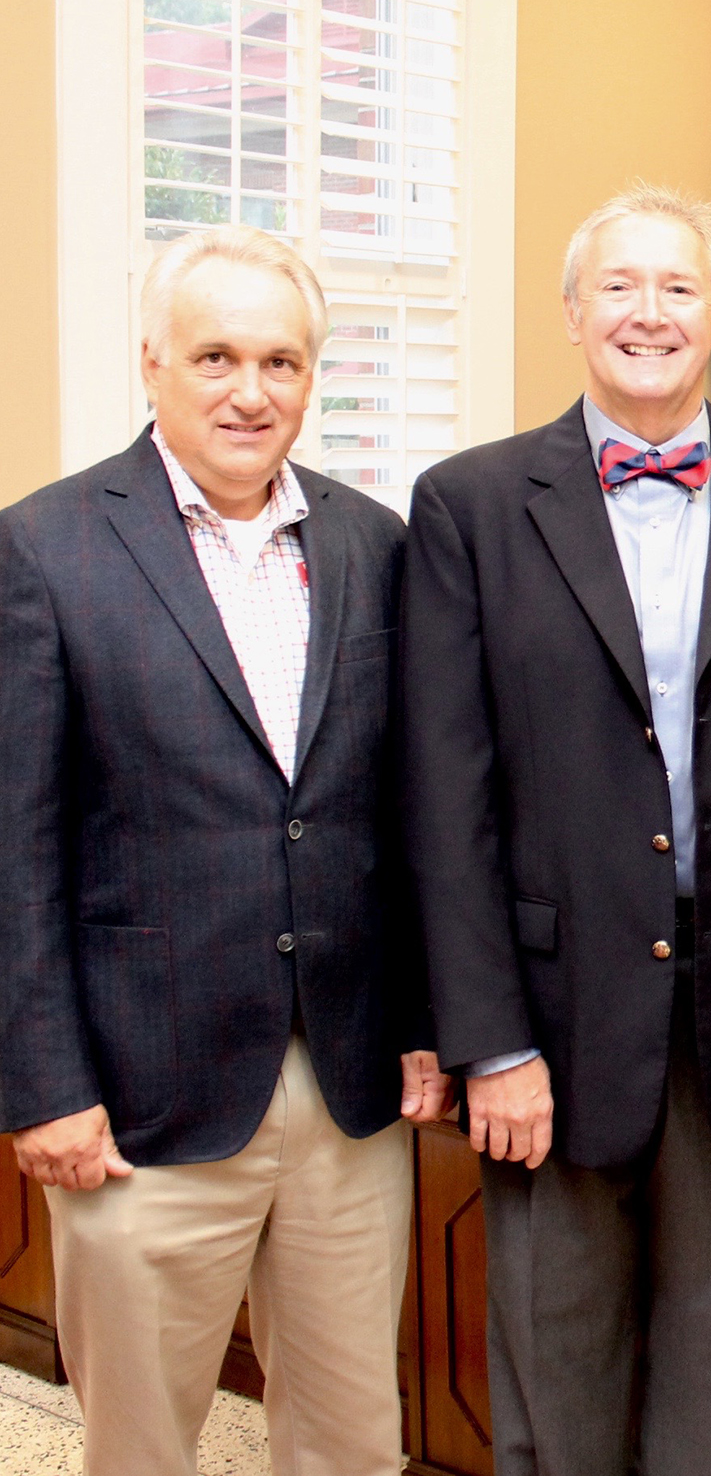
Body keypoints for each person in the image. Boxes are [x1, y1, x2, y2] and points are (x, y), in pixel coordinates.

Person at [400, 184, 711, 1476]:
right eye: (619, 287)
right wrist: (488, 1041)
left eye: (678, 287)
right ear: (573, 314)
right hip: (550, 1019)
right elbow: (446, 798)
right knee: (554, 1389)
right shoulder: (468, 506)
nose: (649, 313)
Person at [0, 225, 449, 1476]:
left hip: (347, 1087)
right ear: (151, 361)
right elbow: (16, 847)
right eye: (215, 358)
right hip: (137, 1098)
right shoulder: (44, 548)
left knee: (353, 1438)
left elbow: (406, 818)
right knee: (144, 1445)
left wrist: (426, 1021)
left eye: (280, 362)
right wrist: (42, 1086)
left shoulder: (375, 545)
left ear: (312, 376)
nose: (250, 392)